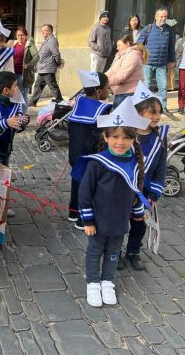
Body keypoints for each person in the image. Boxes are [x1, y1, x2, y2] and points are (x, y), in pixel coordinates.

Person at [72, 97, 151, 307]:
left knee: (114, 252)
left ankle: (108, 281)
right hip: (98, 221)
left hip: (119, 221)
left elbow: (135, 190)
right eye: (115, 136)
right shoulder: (97, 163)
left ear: (133, 140)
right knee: (95, 252)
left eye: (126, 137)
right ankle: (92, 283)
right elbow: (85, 193)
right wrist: (87, 221)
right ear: (106, 137)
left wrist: (137, 212)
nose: (120, 142)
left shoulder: (134, 163)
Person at [118, 82, 167, 270]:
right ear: (138, 113)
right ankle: (115, 252)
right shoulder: (125, 134)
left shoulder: (159, 137)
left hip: (144, 192)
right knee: (120, 223)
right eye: (151, 112)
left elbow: (161, 168)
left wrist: (154, 194)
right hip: (123, 189)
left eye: (158, 112)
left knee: (139, 224)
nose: (156, 117)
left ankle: (133, 252)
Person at [66, 71, 112, 230]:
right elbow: (105, 133)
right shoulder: (103, 108)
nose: (109, 91)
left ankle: (72, 211)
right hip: (91, 153)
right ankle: (81, 218)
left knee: (76, 178)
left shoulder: (78, 102)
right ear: (99, 92)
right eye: (107, 88)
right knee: (88, 185)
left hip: (74, 151)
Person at [0, 71, 29, 166]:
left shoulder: (15, 104)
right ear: (6, 90)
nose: (18, 88)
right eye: (15, 86)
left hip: (6, 150)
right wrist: (6, 123)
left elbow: (16, 128)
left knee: (3, 176)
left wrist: (22, 122)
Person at [137, 7, 176, 112]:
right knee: (146, 85)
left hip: (162, 63)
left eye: (165, 17)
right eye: (161, 16)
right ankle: (144, 106)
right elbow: (139, 44)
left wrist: (172, 60)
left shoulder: (169, 30)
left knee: (163, 86)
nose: (163, 18)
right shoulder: (148, 28)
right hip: (148, 63)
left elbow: (171, 47)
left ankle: (163, 107)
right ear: (156, 16)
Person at [105, 35, 147, 107]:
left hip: (129, 93)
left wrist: (105, 83)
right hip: (121, 92)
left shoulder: (132, 55)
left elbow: (122, 75)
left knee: (119, 116)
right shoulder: (120, 55)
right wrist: (101, 77)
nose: (117, 48)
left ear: (127, 44)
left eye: (119, 45)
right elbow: (111, 70)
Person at [30, 24, 63, 106]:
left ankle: (61, 102)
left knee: (53, 86)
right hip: (43, 68)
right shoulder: (47, 40)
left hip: (47, 68)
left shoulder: (52, 40)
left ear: (49, 31)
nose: (42, 32)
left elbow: (56, 53)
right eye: (42, 31)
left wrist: (58, 63)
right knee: (38, 85)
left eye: (44, 30)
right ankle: (33, 102)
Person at [13, 26, 39, 113]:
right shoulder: (14, 44)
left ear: (26, 36)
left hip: (22, 75)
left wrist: (29, 65)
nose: (20, 37)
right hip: (12, 75)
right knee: (14, 95)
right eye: (18, 35)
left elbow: (36, 56)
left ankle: (23, 116)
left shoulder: (29, 45)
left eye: (22, 35)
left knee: (23, 95)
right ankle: (16, 113)